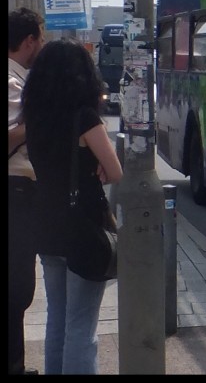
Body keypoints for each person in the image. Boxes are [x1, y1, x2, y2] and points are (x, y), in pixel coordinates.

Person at [21, 39, 123, 375]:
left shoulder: (34, 118)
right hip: (82, 227)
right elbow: (116, 171)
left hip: (46, 224)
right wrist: (97, 162)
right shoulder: (85, 118)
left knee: (58, 320)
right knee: (82, 327)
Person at [8, 8, 44, 376]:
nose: (42, 45)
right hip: (14, 193)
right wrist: (38, 116)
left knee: (17, 287)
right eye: (40, 38)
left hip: (18, 194)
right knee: (16, 286)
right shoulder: (12, 83)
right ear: (28, 41)